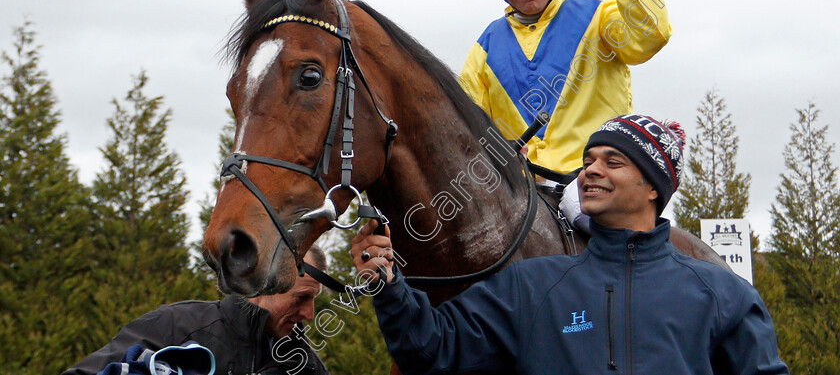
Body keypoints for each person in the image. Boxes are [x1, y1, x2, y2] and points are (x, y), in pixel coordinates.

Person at [352, 115, 789, 375]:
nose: (589, 172)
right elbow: (433, 350)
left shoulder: (724, 295)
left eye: (612, 162)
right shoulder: (530, 285)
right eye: (588, 161)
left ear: (653, 187)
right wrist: (389, 285)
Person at [459, 0, 672, 177]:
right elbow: (463, 131)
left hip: (598, 186)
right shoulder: (483, 50)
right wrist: (490, 150)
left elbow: (652, 33)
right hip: (523, 197)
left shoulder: (600, 18)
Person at [63, 246, 330, 375]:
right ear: (260, 284)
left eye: (314, 299)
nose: (309, 314)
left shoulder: (304, 363)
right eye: (301, 298)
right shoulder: (173, 326)